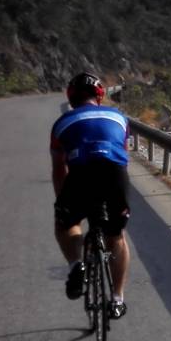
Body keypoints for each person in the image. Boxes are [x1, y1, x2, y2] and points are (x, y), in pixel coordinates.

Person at [49, 72, 131, 318]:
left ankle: (77, 264)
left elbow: (59, 169)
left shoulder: (61, 124)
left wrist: (62, 203)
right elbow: (122, 159)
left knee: (66, 225)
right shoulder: (119, 117)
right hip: (114, 175)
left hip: (81, 175)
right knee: (116, 235)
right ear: (100, 96)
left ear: (71, 99)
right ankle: (117, 299)